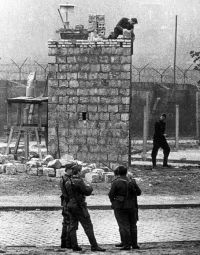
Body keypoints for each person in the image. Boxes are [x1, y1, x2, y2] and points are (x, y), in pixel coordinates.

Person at [64, 164, 106, 252]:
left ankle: (74, 246)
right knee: (88, 226)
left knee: (72, 226)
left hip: (70, 205)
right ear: (78, 172)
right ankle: (94, 246)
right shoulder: (79, 181)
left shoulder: (68, 181)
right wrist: (89, 186)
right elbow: (87, 191)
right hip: (80, 206)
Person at [108, 165, 141, 250]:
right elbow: (139, 192)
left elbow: (111, 194)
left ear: (118, 173)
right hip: (132, 206)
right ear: (126, 172)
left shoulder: (116, 182)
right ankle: (134, 244)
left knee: (123, 226)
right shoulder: (132, 181)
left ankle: (126, 245)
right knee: (133, 225)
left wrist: (113, 202)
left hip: (120, 207)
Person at [60, 162, 76, 249]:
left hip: (65, 203)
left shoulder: (63, 178)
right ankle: (68, 243)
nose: (73, 171)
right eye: (72, 170)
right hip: (68, 203)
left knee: (65, 223)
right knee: (69, 222)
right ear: (68, 170)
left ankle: (64, 243)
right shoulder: (67, 179)